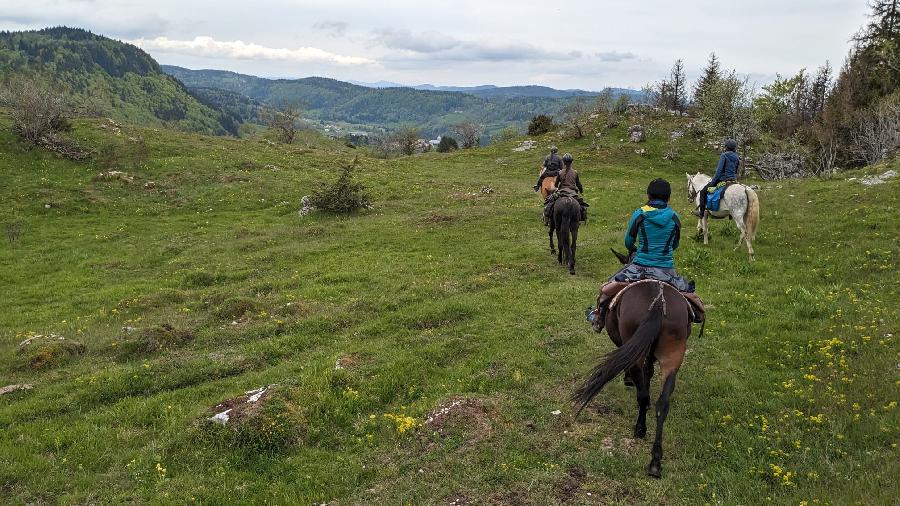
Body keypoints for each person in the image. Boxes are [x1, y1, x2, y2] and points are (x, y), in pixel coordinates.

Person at [594, 178, 694, 324]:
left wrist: (633, 249)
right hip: (667, 270)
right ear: (669, 198)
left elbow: (628, 242)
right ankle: (694, 316)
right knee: (689, 295)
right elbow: (675, 245)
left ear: (649, 196)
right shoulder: (674, 218)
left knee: (606, 289)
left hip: (640, 266)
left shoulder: (640, 214)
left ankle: (599, 317)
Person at [694, 138, 741, 217]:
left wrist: (713, 182)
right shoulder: (737, 157)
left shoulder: (724, 155)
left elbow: (719, 171)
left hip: (722, 179)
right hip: (733, 180)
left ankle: (701, 213)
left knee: (702, 192)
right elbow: (736, 171)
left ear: (726, 147)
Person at [544, 153, 588, 221]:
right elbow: (579, 184)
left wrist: (556, 188)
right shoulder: (575, 172)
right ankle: (583, 216)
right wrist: (581, 191)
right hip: (573, 193)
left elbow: (556, 185)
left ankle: (547, 216)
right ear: (571, 162)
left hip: (562, 192)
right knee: (582, 204)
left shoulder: (560, 172)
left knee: (550, 202)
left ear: (563, 162)